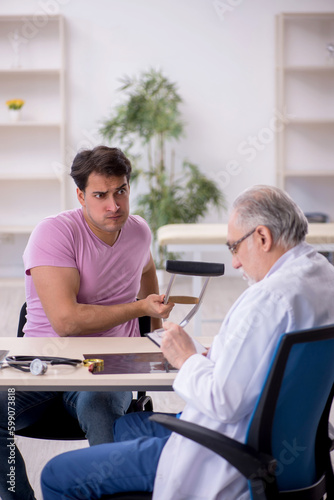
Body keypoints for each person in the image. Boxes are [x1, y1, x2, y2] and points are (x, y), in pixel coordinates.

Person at [41, 185, 334, 500]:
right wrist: (216, 356)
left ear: (262, 237)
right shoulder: (324, 277)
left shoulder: (267, 300)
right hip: (285, 445)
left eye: (234, 247)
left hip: (224, 455)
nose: (234, 263)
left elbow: (224, 402)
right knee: (122, 429)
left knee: (57, 475)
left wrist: (186, 358)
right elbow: (277, 366)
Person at [0, 146, 174, 500]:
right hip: (43, 368)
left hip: (105, 370)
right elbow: (66, 321)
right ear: (81, 196)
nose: (114, 205)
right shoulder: (54, 233)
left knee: (99, 410)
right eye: (100, 195)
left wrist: (154, 329)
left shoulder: (138, 231)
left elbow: (146, 268)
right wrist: (139, 306)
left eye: (121, 191)